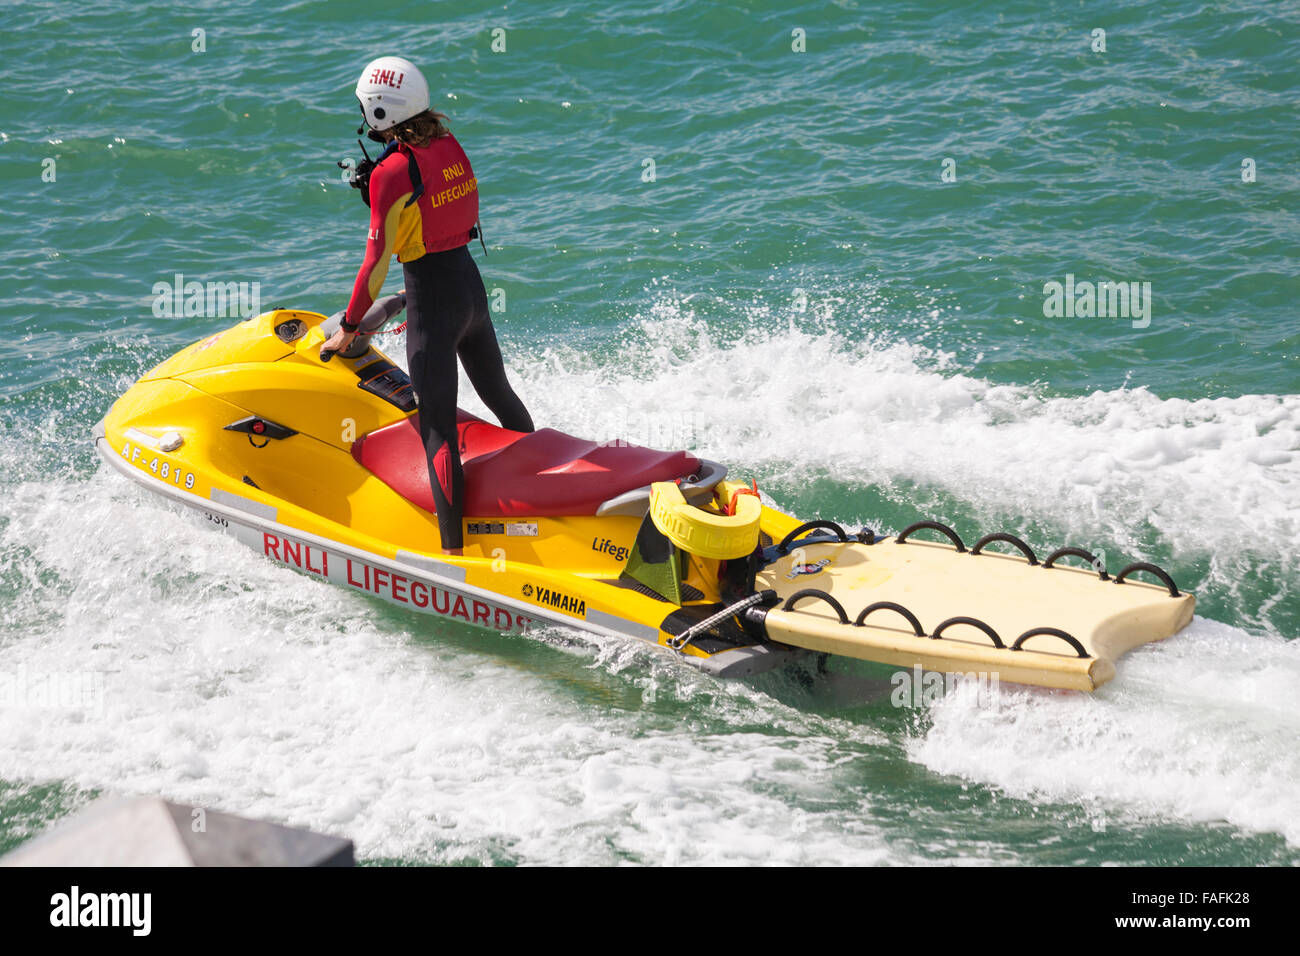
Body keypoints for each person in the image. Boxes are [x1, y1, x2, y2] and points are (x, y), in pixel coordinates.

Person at [322, 56, 534, 555]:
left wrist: (350, 326)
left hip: (433, 304)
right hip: (470, 290)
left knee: (436, 431)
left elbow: (374, 262)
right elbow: (437, 204)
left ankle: (452, 555)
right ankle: (541, 492)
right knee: (499, 395)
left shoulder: (391, 173)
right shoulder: (446, 142)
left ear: (378, 112)